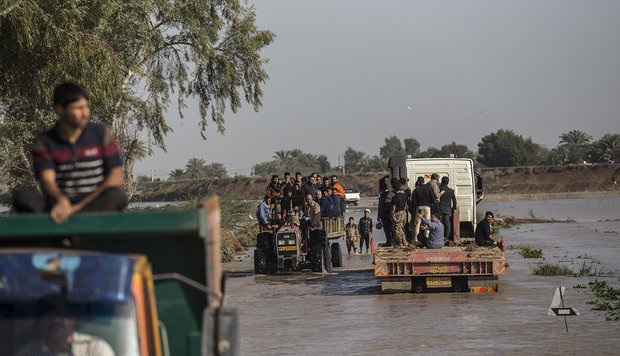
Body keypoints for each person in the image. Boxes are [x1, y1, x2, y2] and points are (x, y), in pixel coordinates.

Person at [13, 82, 126, 223]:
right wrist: (61, 200)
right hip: (59, 204)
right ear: (60, 110)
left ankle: (71, 221)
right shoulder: (44, 141)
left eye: (86, 107)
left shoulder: (100, 133)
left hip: (94, 202)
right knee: (23, 196)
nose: (85, 113)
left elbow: (115, 176)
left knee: (117, 195)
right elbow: (47, 180)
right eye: (78, 108)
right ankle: (62, 225)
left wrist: (79, 207)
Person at [16, 314, 115, 356]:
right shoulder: (27, 352)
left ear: (73, 318)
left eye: (61, 314)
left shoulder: (94, 349)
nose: (55, 320)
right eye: (50, 314)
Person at [390, 181, 408, 247]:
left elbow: (393, 208)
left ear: (394, 189)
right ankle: (405, 242)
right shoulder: (403, 195)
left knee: (397, 230)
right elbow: (405, 204)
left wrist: (391, 215)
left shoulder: (395, 197)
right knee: (401, 228)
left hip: (397, 214)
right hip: (403, 213)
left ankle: (400, 243)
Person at [377, 176, 393, 246]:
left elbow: (380, 206)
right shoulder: (390, 193)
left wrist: (379, 215)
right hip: (388, 214)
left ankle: (389, 241)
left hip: (385, 214)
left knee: (387, 229)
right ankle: (390, 241)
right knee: (390, 228)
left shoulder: (383, 195)